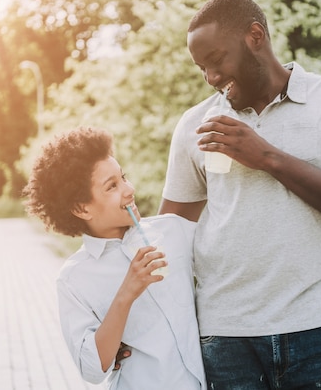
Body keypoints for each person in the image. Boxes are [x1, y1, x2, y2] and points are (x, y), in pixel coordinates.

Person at [159, 0, 321, 389]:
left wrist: (267, 157)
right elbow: (169, 236)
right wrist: (133, 328)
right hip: (225, 339)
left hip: (319, 330)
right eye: (202, 68)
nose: (211, 78)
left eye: (217, 60)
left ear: (256, 36)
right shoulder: (195, 125)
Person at [22, 127, 206, 389]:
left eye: (123, 177)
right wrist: (126, 294)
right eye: (112, 186)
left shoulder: (173, 231)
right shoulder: (74, 279)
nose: (129, 190)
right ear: (81, 208)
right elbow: (92, 369)